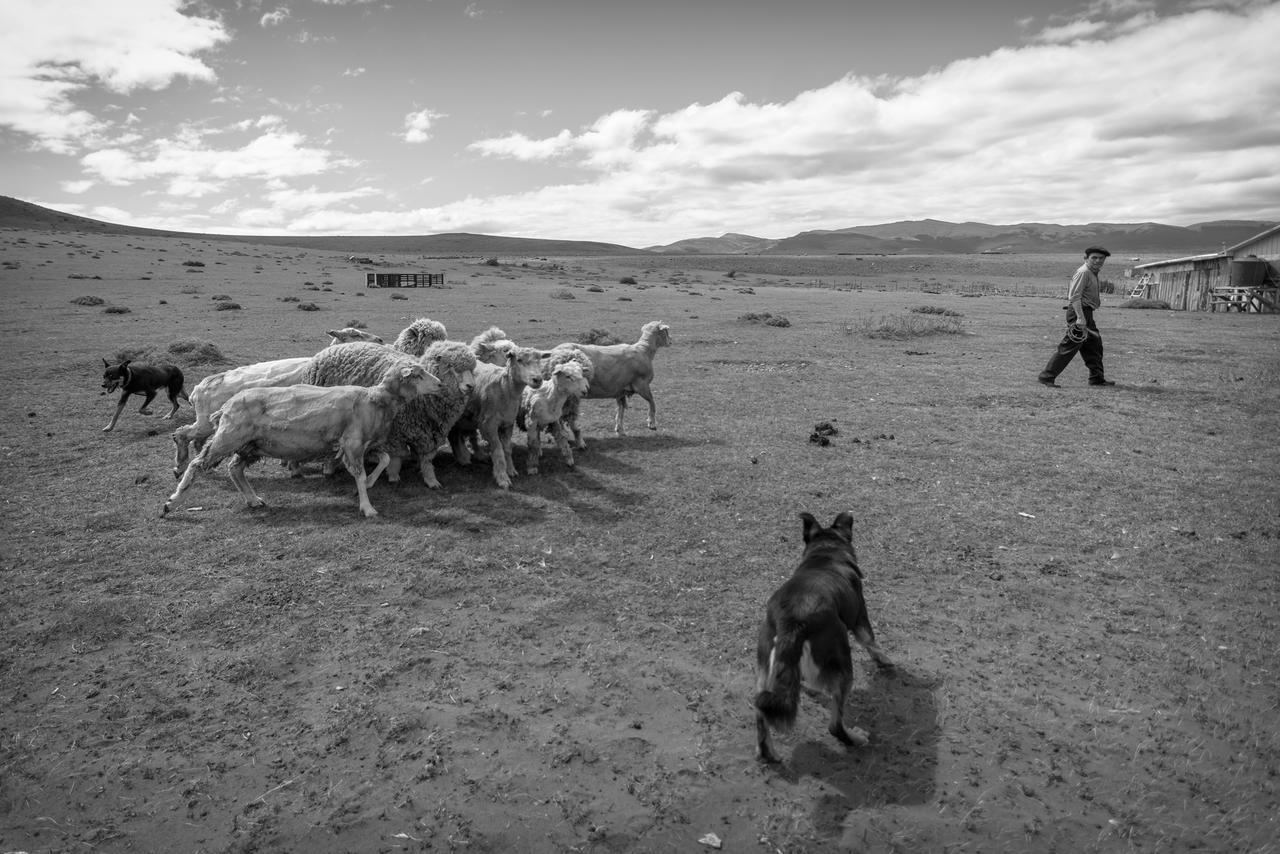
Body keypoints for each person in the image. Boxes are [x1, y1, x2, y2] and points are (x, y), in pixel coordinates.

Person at [1038, 246, 1116, 387]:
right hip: (1079, 312)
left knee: (1094, 346)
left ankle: (1096, 378)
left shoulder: (1092, 272)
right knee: (1070, 345)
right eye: (1094, 257)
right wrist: (1080, 318)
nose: (1098, 261)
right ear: (1086, 258)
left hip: (1087, 312)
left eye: (1101, 258)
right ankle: (1046, 376)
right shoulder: (1083, 272)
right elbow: (1074, 296)